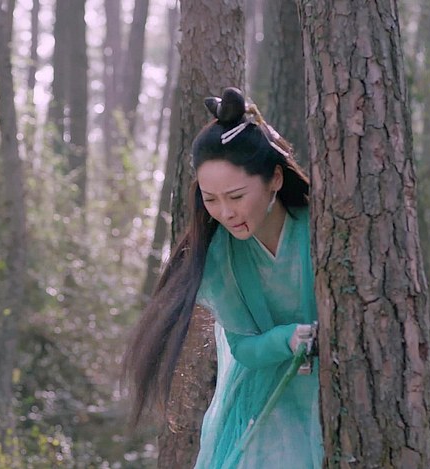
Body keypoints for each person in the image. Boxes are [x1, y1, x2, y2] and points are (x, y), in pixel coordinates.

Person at [124, 87, 323, 468]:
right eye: (211, 199)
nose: (226, 213)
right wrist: (290, 338)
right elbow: (243, 348)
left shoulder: (319, 230)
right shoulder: (221, 257)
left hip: (331, 390)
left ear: (275, 179)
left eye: (236, 196)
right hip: (264, 401)